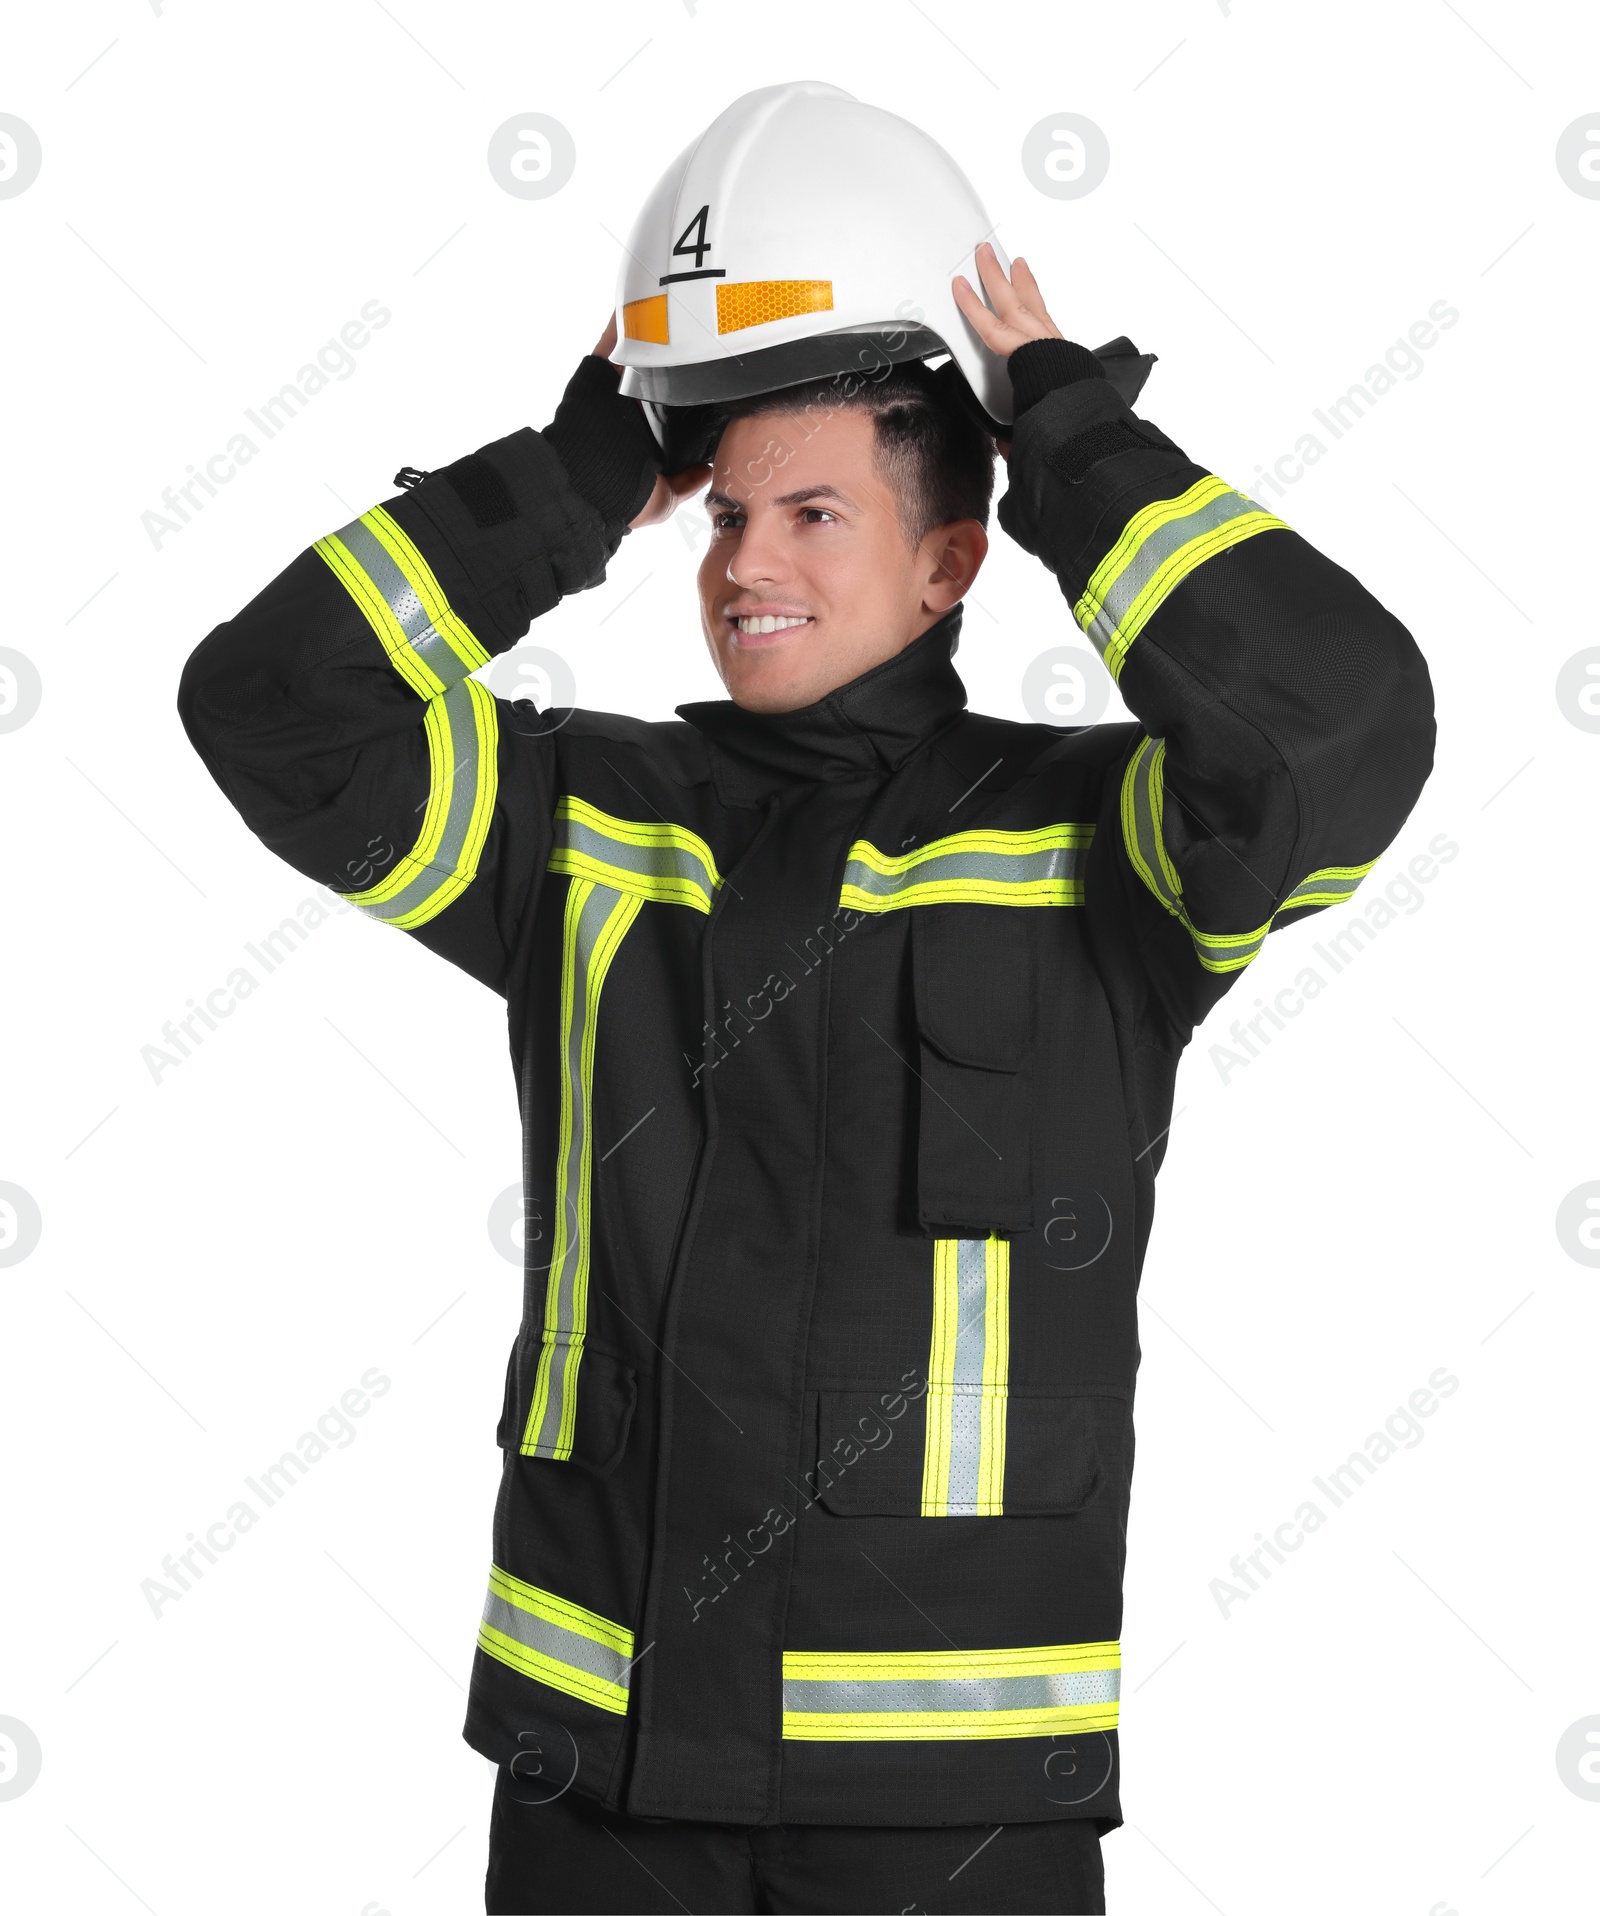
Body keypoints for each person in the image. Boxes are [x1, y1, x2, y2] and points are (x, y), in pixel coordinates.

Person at [179, 164, 1434, 1916]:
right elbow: (270, 710)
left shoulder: (1105, 843)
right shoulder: (588, 821)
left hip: (953, 1806)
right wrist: (571, 486)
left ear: (949, 559)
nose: (746, 565)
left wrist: (1077, 450)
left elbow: (1346, 724)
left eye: (815, 516)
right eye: (722, 519)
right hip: (594, 1769)